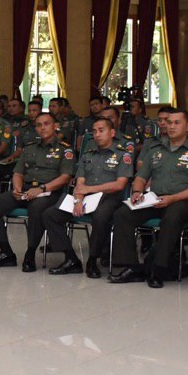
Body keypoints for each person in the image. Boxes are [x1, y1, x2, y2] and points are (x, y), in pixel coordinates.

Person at [108, 108, 188, 288]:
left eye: (176, 123)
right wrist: (137, 192)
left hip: (183, 201)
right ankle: (131, 267)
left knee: (171, 218)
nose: (171, 126)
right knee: (122, 214)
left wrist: (173, 198)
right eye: (169, 123)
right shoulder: (155, 150)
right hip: (155, 199)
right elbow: (141, 177)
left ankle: (158, 268)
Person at [0, 112, 75, 271]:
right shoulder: (30, 147)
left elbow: (65, 177)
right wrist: (17, 187)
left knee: (36, 208)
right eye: (38, 125)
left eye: (46, 124)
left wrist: (41, 189)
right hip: (26, 189)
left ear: (55, 126)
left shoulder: (65, 150)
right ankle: (6, 253)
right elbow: (18, 173)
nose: (42, 128)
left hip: (51, 192)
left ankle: (30, 254)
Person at [42, 116, 133, 277]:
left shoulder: (122, 155)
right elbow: (80, 183)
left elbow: (120, 185)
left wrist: (89, 189)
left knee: (100, 217)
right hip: (86, 197)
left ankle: (92, 259)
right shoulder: (88, 155)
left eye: (101, 130)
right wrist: (78, 200)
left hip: (110, 198)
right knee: (50, 214)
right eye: (94, 131)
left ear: (112, 133)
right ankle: (71, 259)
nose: (97, 134)